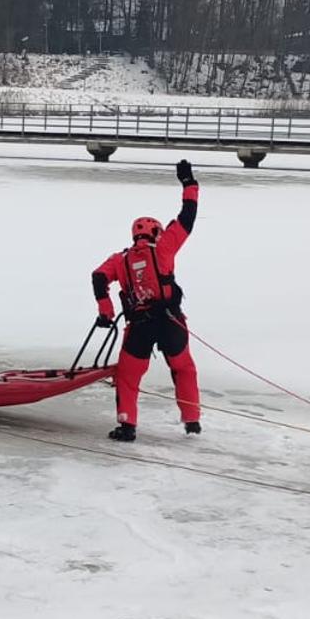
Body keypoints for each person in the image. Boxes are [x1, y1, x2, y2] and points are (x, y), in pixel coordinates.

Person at [90, 160, 202, 442]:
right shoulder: (164, 249)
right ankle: (192, 421)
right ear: (157, 233)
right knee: (183, 368)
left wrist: (106, 311)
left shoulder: (120, 259)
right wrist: (189, 183)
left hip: (140, 325)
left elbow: (98, 277)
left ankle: (127, 426)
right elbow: (187, 217)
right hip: (170, 321)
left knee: (128, 375)